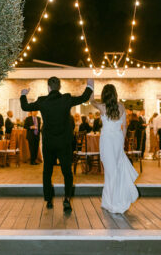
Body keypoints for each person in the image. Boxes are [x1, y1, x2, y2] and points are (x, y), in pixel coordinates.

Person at [20, 77, 93, 212]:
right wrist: (90, 86)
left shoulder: (42, 101)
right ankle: (66, 199)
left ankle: (48, 200)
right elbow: (83, 98)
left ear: (48, 87)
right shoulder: (66, 99)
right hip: (64, 142)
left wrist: (23, 94)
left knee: (47, 172)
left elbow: (25, 107)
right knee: (67, 172)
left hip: (48, 142)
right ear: (59, 87)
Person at [91, 84, 138, 214]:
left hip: (106, 140)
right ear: (115, 94)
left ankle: (112, 202)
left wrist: (91, 86)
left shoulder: (102, 107)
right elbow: (125, 126)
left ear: (104, 95)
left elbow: (91, 100)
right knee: (115, 170)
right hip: (117, 139)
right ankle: (108, 201)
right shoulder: (121, 107)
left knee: (110, 171)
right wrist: (122, 143)